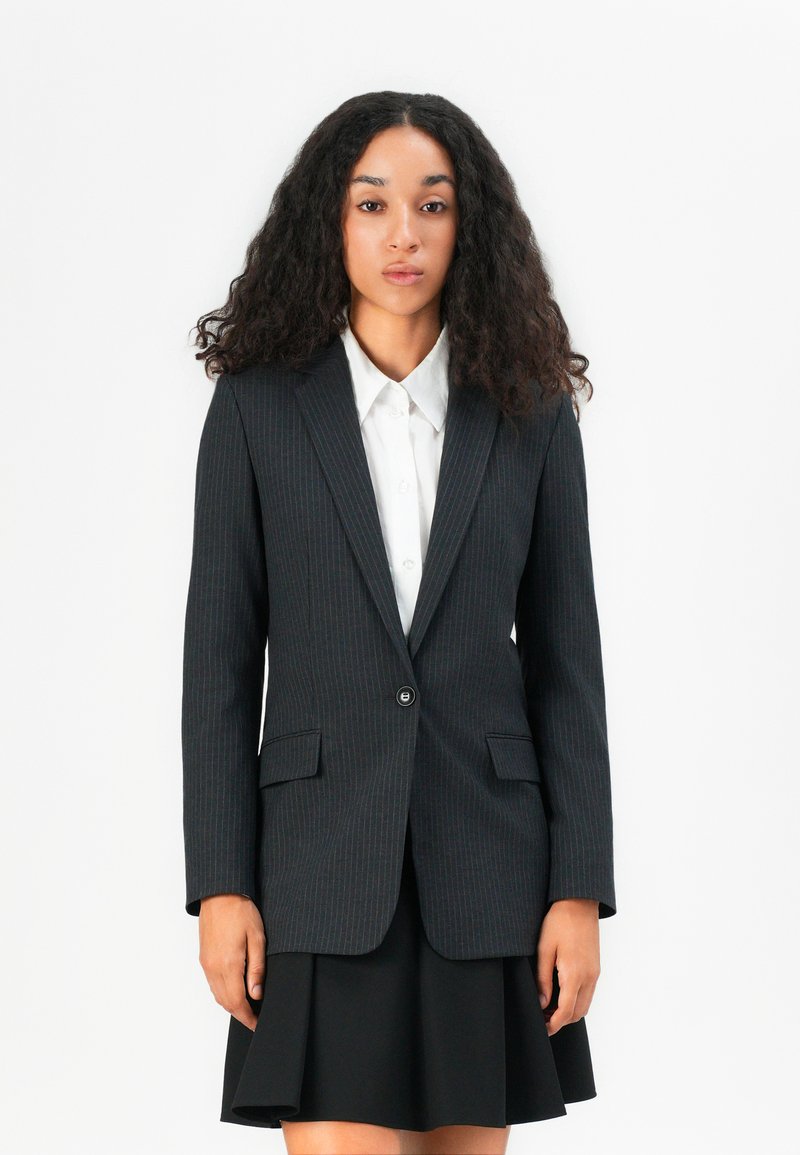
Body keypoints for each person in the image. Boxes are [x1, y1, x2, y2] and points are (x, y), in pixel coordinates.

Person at [182, 90, 616, 1155]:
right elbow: (218, 665)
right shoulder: (257, 407)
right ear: (329, 223)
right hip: (320, 874)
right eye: (372, 204)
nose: (403, 235)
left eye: (432, 204)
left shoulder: (528, 410)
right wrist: (220, 885)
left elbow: (567, 662)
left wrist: (578, 889)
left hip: (488, 873)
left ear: (468, 226)